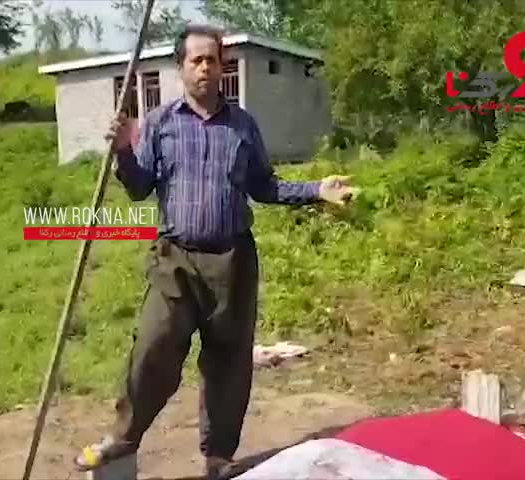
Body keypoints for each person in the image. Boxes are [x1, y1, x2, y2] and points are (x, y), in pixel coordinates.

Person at [74, 24, 360, 480]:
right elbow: (139, 188)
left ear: (223, 66)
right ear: (181, 67)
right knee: (153, 346)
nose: (206, 67)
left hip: (233, 261)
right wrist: (125, 151)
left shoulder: (242, 124)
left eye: (213, 59)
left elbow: (264, 186)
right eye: (197, 60)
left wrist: (315, 191)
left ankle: (219, 457)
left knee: (229, 361)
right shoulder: (161, 123)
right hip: (176, 259)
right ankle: (124, 437)